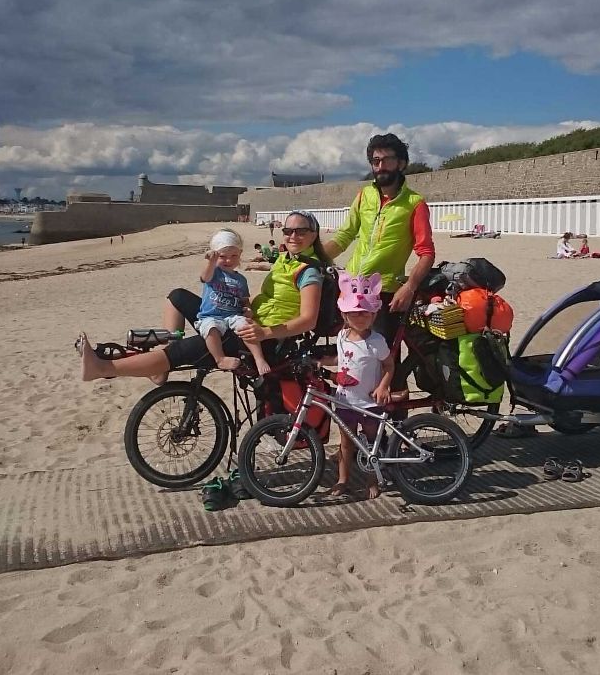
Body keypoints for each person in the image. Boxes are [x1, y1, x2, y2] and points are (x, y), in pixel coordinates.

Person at [79, 210, 329, 383]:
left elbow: (308, 321)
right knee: (177, 296)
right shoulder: (286, 259)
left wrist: (265, 332)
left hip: (259, 338)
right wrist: (246, 305)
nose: (293, 236)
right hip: (242, 319)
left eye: (301, 231)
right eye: (288, 230)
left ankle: (102, 369)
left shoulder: (309, 272)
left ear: (313, 235)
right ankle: (158, 369)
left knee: (185, 351)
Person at [322, 133, 435, 349]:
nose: (380, 166)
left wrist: (409, 287)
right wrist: (312, 258)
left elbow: (426, 252)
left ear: (401, 164)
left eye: (387, 160)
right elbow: (344, 236)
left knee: (382, 356)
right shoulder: (364, 195)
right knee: (351, 351)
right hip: (351, 287)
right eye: (375, 161)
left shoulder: (414, 203)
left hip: (384, 293)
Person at [321, 271, 394, 499]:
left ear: (373, 315)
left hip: (369, 403)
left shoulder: (376, 341)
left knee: (371, 443)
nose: (359, 317)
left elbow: (389, 365)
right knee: (345, 443)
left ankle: (373, 479)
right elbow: (342, 358)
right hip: (345, 401)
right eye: (354, 313)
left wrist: (383, 387)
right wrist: (322, 362)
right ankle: (343, 480)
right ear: (344, 315)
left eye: (365, 313)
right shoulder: (342, 336)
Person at [194, 230, 269, 375]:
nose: (229, 260)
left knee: (246, 326)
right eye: (223, 257)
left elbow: (244, 299)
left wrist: (247, 309)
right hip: (212, 315)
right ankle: (220, 358)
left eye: (234, 256)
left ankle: (259, 358)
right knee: (210, 329)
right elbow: (204, 276)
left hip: (233, 315)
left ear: (240, 255)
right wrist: (210, 261)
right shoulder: (214, 272)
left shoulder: (240, 279)